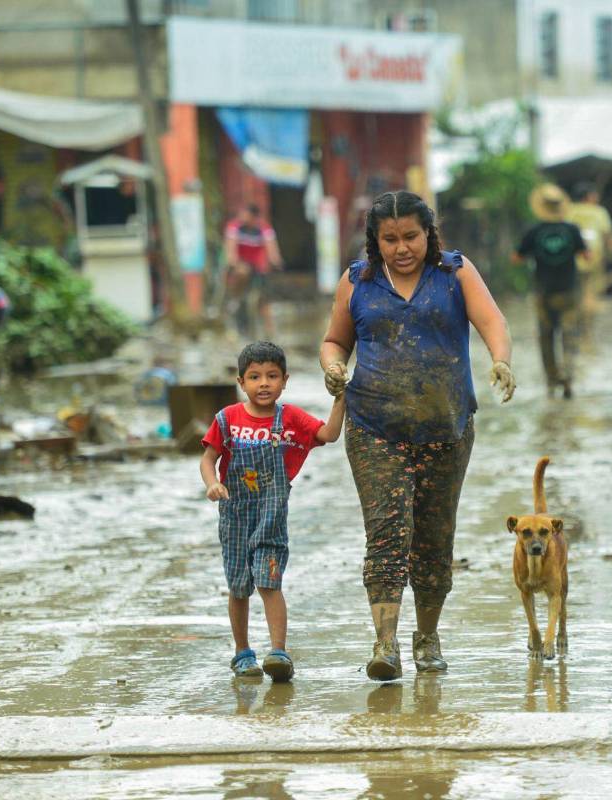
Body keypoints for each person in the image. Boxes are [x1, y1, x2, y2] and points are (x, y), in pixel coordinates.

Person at [319, 190, 514, 682]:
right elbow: (334, 340)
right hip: (373, 427)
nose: (402, 247)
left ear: (429, 234)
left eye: (411, 236)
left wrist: (501, 359)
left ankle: (426, 635)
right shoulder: (357, 280)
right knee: (386, 534)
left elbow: (491, 321)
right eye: (390, 239)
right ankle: (385, 643)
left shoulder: (454, 272)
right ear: (375, 241)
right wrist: (333, 366)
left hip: (447, 426)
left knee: (433, 537)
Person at [200, 341, 345, 681]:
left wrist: (341, 399)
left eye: (272, 376)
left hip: (271, 520)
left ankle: (279, 652)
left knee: (269, 583)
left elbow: (329, 434)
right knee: (239, 587)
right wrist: (211, 485)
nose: (263, 383)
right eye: (254, 377)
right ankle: (242, 653)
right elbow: (208, 460)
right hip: (234, 519)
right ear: (241, 382)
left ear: (285, 380)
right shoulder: (226, 419)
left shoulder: (291, 418)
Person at [514, 183, 586, 398]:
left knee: (546, 336)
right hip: (569, 290)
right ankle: (568, 376)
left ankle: (551, 380)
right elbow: (586, 255)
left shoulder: (534, 231)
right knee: (569, 334)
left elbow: (516, 257)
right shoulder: (572, 230)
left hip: (543, 291)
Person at [224, 204, 284, 338]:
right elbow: (230, 249)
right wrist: (233, 262)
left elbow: (272, 249)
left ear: (253, 217)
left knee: (264, 299)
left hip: (258, 266)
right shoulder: (234, 227)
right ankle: (235, 299)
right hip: (242, 265)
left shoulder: (264, 229)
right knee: (242, 272)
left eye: (245, 214)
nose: (241, 217)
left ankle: (269, 332)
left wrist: (276, 262)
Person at [567, 182, 612, 330]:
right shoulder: (599, 212)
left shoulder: (569, 210)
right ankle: (587, 333)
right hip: (594, 258)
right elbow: (607, 236)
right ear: (589, 196)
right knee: (590, 295)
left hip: (572, 259)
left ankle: (574, 330)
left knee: (574, 294)